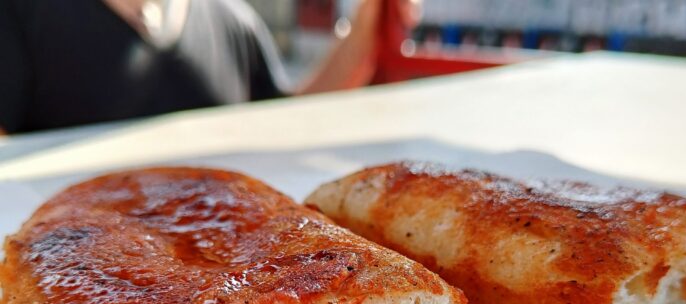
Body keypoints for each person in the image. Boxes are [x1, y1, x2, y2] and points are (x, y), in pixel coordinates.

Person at [0, 0, 421, 134]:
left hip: (213, 293)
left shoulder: (230, 18)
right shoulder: (21, 14)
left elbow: (290, 122)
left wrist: (366, 23)